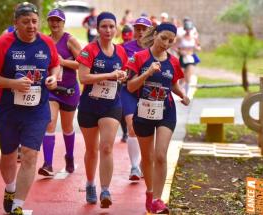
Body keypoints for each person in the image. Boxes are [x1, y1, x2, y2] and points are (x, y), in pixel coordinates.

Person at [0, 2, 59, 215]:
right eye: (25, 22)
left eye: (35, 21)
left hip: (37, 110)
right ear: (15, 23)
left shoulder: (46, 43)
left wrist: (54, 76)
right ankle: (10, 188)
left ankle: (17, 206)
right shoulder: (3, 44)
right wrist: (12, 84)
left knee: (30, 154)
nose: (31, 26)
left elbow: (55, 63)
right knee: (8, 155)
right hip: (8, 110)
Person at [127, 22, 190, 213]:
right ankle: (149, 192)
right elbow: (130, 87)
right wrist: (147, 73)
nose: (166, 43)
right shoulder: (139, 57)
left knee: (161, 156)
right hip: (144, 112)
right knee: (148, 157)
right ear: (155, 35)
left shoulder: (173, 62)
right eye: (163, 38)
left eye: (170, 41)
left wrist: (183, 95)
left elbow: (173, 85)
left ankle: (157, 199)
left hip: (166, 111)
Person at [76, 12, 128, 208]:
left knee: (106, 147)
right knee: (91, 150)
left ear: (116, 29)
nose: (108, 30)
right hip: (89, 105)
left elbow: (123, 73)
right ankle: (90, 184)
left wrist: (122, 76)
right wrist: (110, 74)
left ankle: (105, 189)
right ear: (97, 28)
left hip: (111, 105)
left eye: (111, 26)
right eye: (104, 26)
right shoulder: (89, 50)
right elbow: (84, 78)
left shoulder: (121, 51)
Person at [38, 8, 82, 176]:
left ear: (63, 23)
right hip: (52, 90)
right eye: (52, 20)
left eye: (58, 20)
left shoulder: (70, 40)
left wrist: (62, 62)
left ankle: (69, 156)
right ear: (48, 23)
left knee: (67, 126)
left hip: (69, 90)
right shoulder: (45, 41)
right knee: (49, 123)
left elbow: (83, 63)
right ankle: (48, 164)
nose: (55, 23)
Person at [121, 16, 152, 181]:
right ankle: (134, 167)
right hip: (129, 92)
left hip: (148, 94)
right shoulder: (125, 48)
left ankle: (142, 164)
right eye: (138, 29)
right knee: (132, 127)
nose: (140, 32)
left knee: (146, 131)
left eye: (144, 29)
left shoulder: (157, 49)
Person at [177, 19, 201, 96]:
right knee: (182, 76)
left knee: (188, 77)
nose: (188, 31)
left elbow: (198, 46)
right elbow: (174, 46)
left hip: (190, 58)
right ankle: (180, 90)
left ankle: (186, 95)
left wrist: (197, 48)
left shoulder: (194, 38)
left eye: (189, 29)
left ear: (191, 29)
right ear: (185, 29)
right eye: (186, 29)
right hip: (183, 58)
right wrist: (180, 51)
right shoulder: (181, 37)